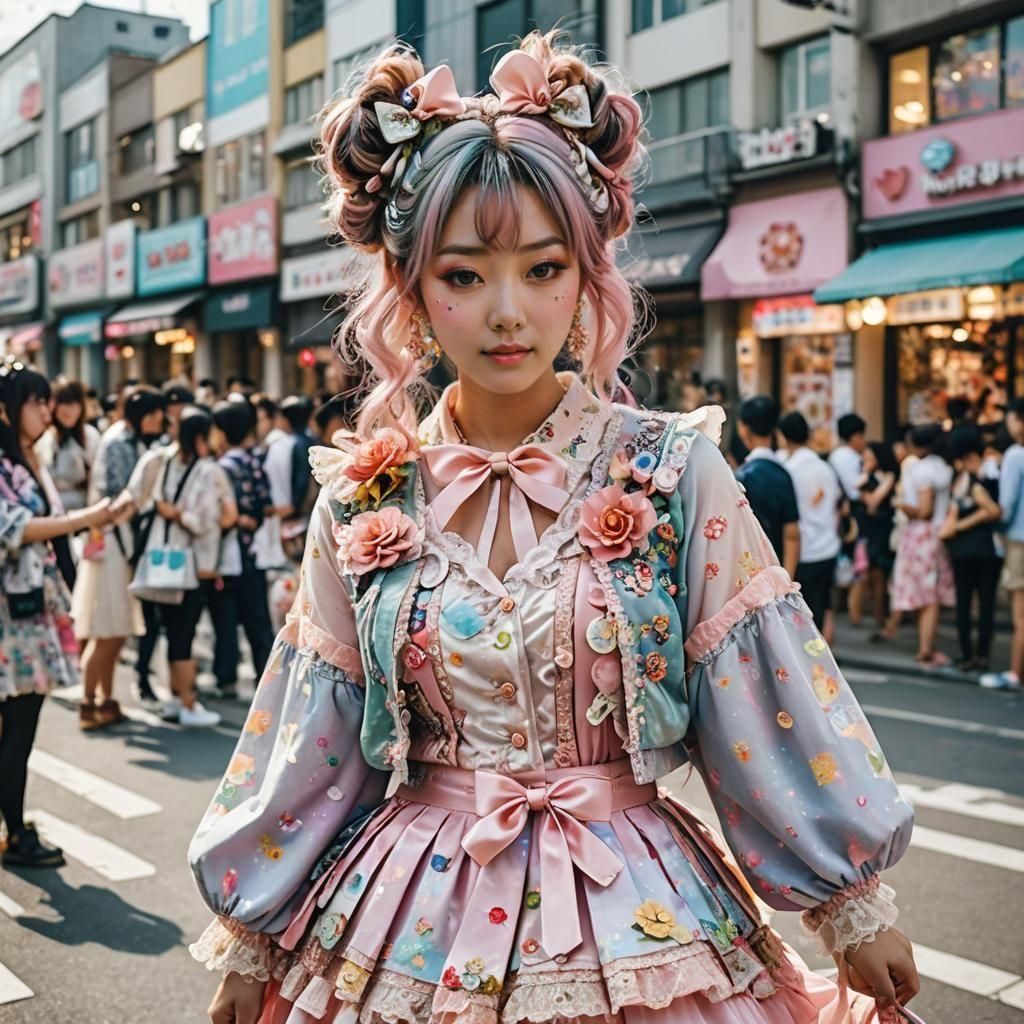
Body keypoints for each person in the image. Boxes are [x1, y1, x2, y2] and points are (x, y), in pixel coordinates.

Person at [187, 35, 919, 1024]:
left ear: (586, 276)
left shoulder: (671, 471)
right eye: (462, 275)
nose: (506, 313)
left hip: (639, 915)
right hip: (410, 921)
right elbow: (311, 734)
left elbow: (761, 692)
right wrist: (252, 931)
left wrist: (844, 895)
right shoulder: (362, 497)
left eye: (542, 269)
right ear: (408, 288)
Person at [0, 361, 122, 868]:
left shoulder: (29, 459)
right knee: (18, 727)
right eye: (36, 401)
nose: (47, 410)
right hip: (13, 617)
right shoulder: (10, 463)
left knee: (20, 726)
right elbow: (14, 527)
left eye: (47, 400)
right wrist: (86, 518)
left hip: (30, 611)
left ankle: (14, 826)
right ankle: (16, 833)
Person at [132, 407, 235, 727]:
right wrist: (180, 514)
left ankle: (176, 700)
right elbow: (205, 521)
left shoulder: (164, 462)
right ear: (202, 435)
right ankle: (189, 704)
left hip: (165, 562)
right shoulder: (208, 471)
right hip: (194, 567)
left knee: (172, 632)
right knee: (183, 636)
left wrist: (169, 512)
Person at [71, 386, 166, 730]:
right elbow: (117, 499)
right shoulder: (118, 443)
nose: (161, 420)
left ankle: (106, 699)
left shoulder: (134, 440)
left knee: (115, 628)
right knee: (105, 628)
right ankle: (88, 701)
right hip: (111, 543)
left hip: (120, 544)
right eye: (156, 413)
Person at [206, 399, 275, 699]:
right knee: (257, 620)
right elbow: (265, 505)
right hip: (253, 553)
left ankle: (226, 677)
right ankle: (268, 679)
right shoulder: (255, 461)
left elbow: (219, 514)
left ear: (222, 433)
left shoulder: (221, 468)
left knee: (225, 619)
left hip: (228, 555)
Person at [890, 422, 955, 668]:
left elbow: (924, 510)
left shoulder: (923, 469)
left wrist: (901, 504)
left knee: (926, 595)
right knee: (929, 593)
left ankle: (925, 649)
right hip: (934, 535)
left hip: (921, 535)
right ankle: (927, 646)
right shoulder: (941, 466)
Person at [939, 426, 1001, 673]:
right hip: (985, 550)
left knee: (965, 605)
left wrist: (961, 526)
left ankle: (968, 656)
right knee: (986, 605)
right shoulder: (984, 479)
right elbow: (994, 512)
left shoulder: (966, 483)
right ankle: (981, 656)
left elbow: (991, 510)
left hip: (965, 550)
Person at [778, 411, 840, 632]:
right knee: (822, 610)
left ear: (783, 437)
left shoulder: (787, 470)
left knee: (800, 623)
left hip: (803, 551)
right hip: (827, 547)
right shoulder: (825, 468)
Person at [982, 397, 1024, 690]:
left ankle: (1015, 673)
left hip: (1019, 541)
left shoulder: (1015, 455)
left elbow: (1006, 505)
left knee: (1020, 615)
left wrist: (993, 523)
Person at [734, 395, 800, 576]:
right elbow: (792, 533)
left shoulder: (740, 477)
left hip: (748, 574)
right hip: (778, 570)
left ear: (744, 429)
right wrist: (788, 580)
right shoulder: (783, 475)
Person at [36, 379, 101, 513]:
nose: (71, 409)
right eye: (65, 402)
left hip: (83, 509)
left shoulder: (89, 436)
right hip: (50, 510)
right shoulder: (42, 436)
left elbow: (96, 478)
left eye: (75, 403)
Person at [856, 441, 898, 637]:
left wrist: (888, 479)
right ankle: (879, 615)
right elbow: (871, 503)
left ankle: (884, 615)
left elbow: (874, 501)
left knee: (884, 573)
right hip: (871, 531)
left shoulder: (888, 477)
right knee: (873, 573)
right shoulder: (866, 479)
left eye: (871, 458)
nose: (867, 461)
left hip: (886, 530)